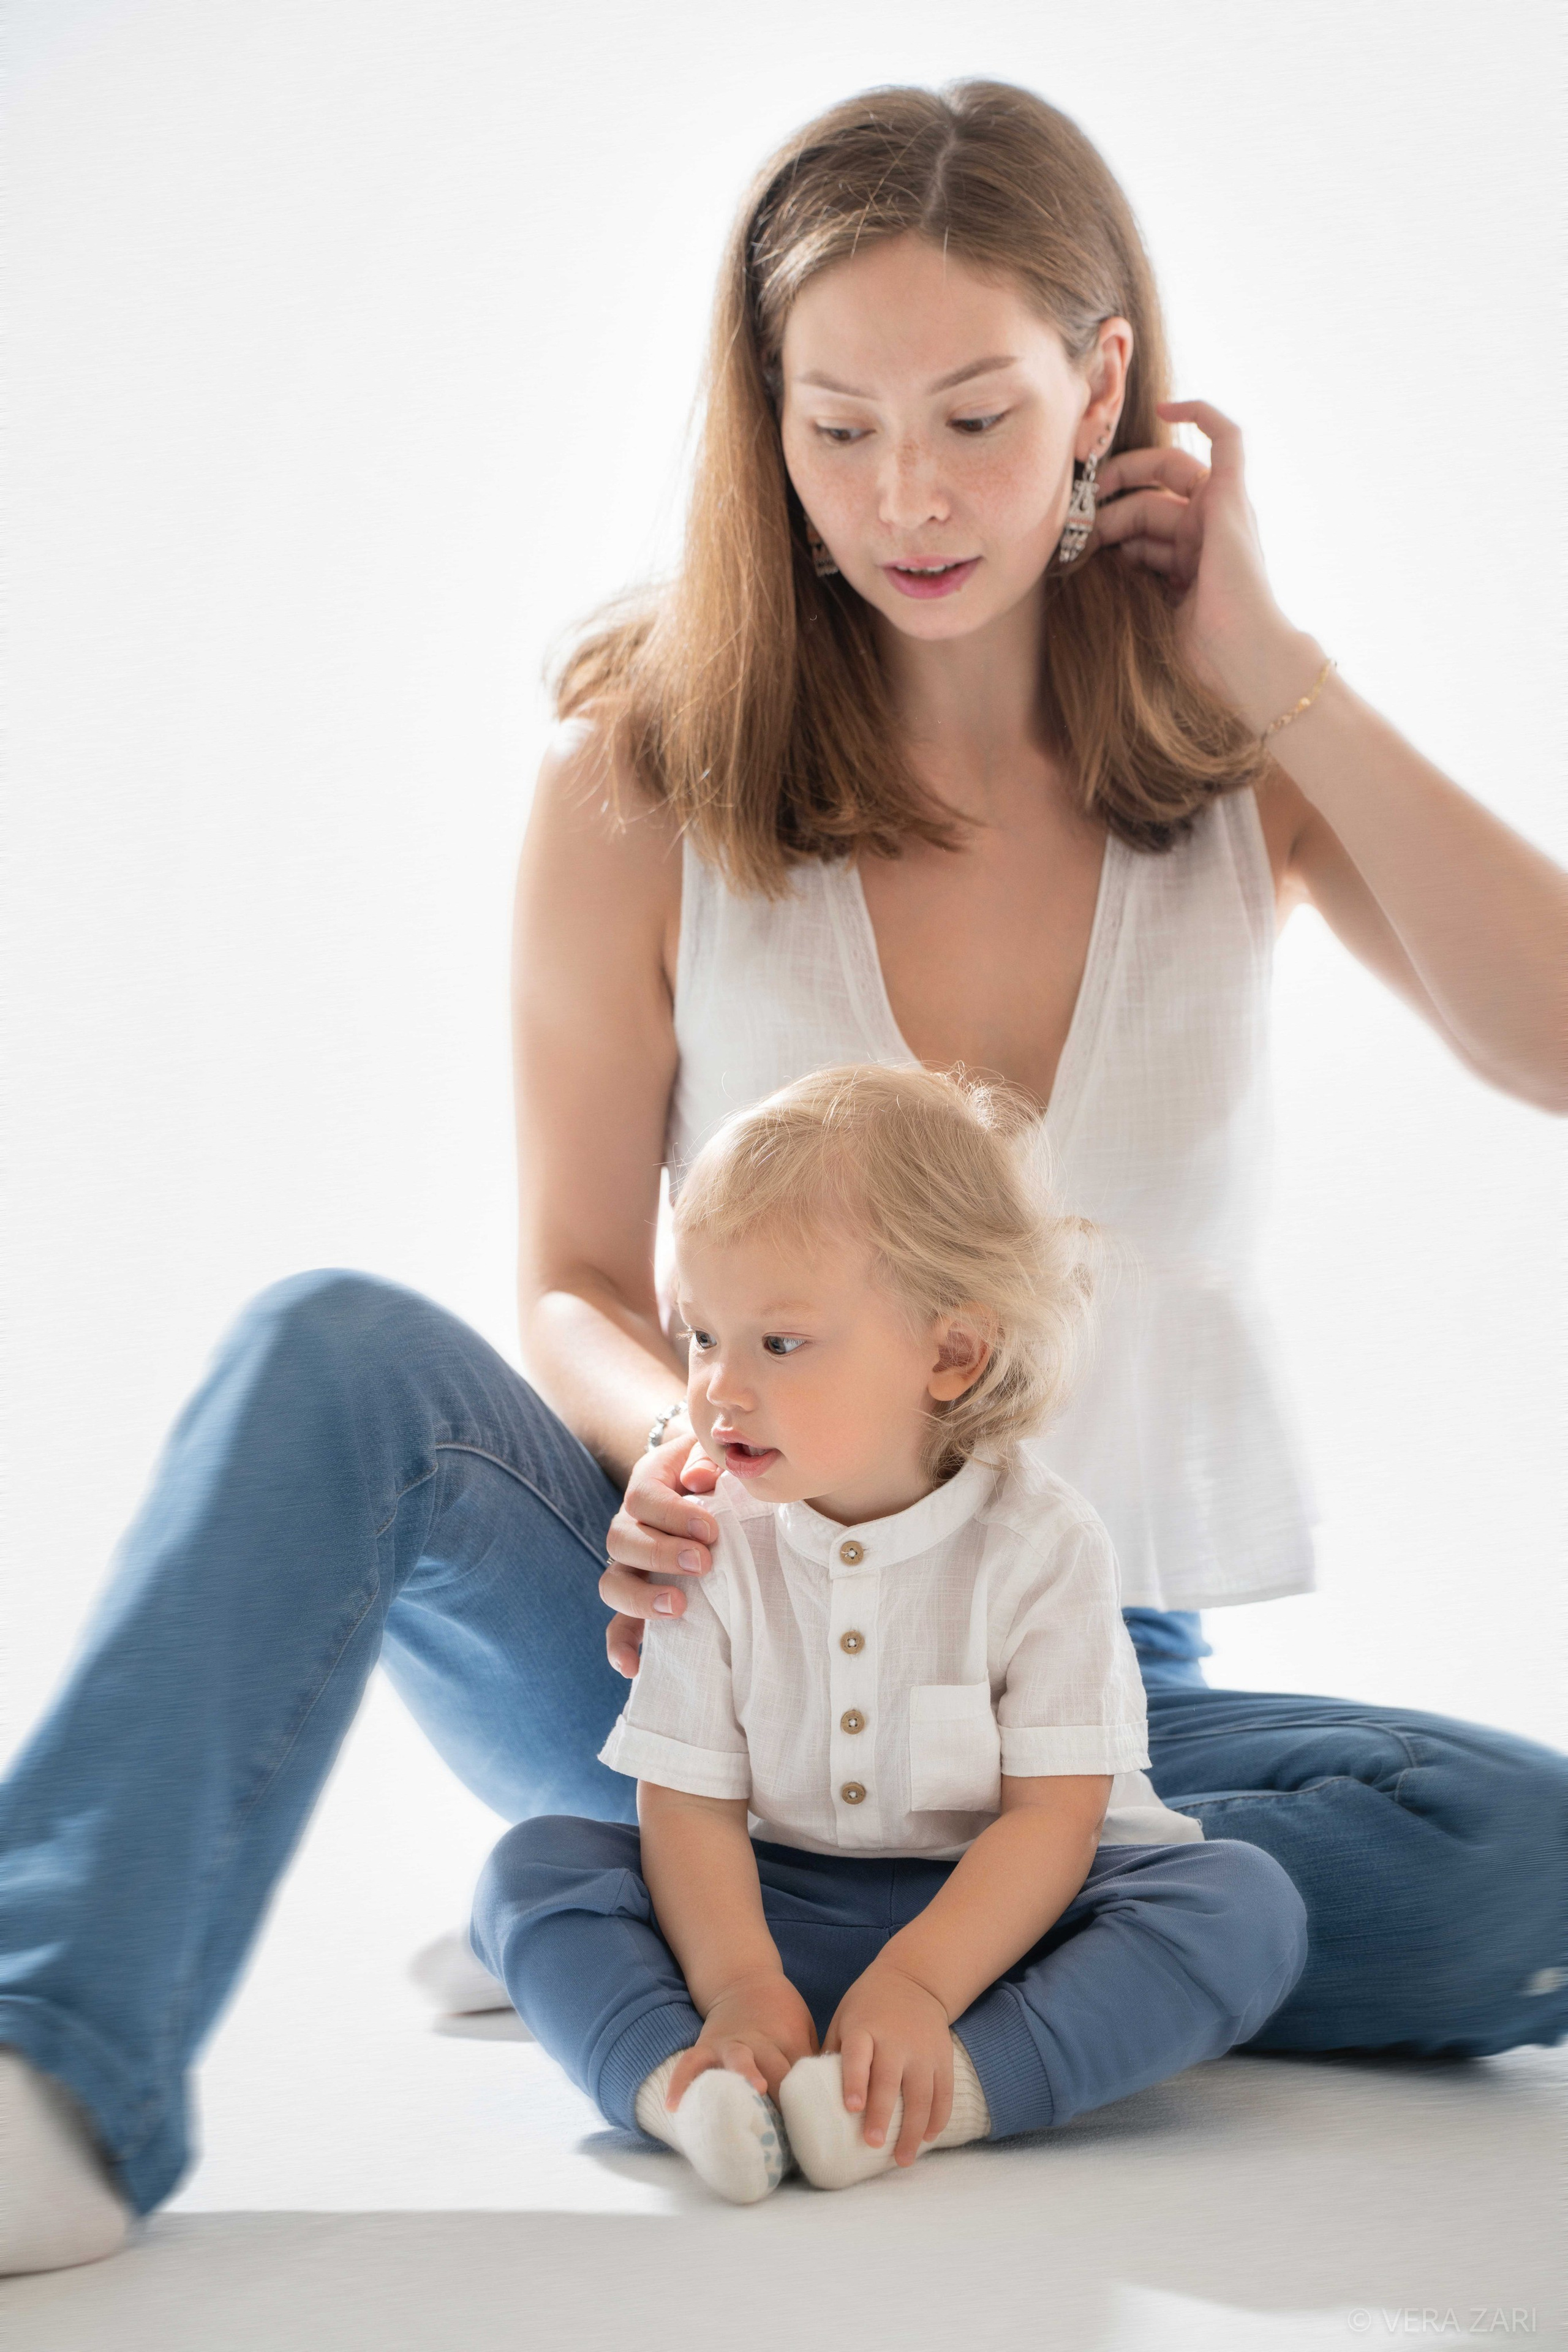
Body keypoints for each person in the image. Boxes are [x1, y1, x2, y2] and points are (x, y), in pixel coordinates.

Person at [0, 77, 1564, 2274]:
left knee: (1526, 1858)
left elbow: (1554, 1043)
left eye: (974, 416)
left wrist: (1278, 672)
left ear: (1105, 384)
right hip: (701, 1642)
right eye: (838, 428)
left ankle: (683, 1928)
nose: (904, 495)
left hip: (1069, 1685)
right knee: (326, 1356)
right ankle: (53, 2052)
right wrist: (685, 1455)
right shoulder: (642, 772)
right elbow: (561, 1277)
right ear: (767, 419)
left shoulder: (1236, 772)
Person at [472, 1064, 1308, 2205]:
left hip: (1006, 1926)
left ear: (949, 1356)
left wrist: (919, 1985)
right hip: (777, 1914)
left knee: (1241, 1907)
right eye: (704, 1334)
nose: (717, 1390)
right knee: (535, 1872)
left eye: (780, 1344)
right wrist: (738, 1985)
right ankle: (689, 2087)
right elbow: (692, 1806)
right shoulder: (710, 1532)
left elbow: (1055, 1821)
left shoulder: (1044, 1545)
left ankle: (939, 2094)